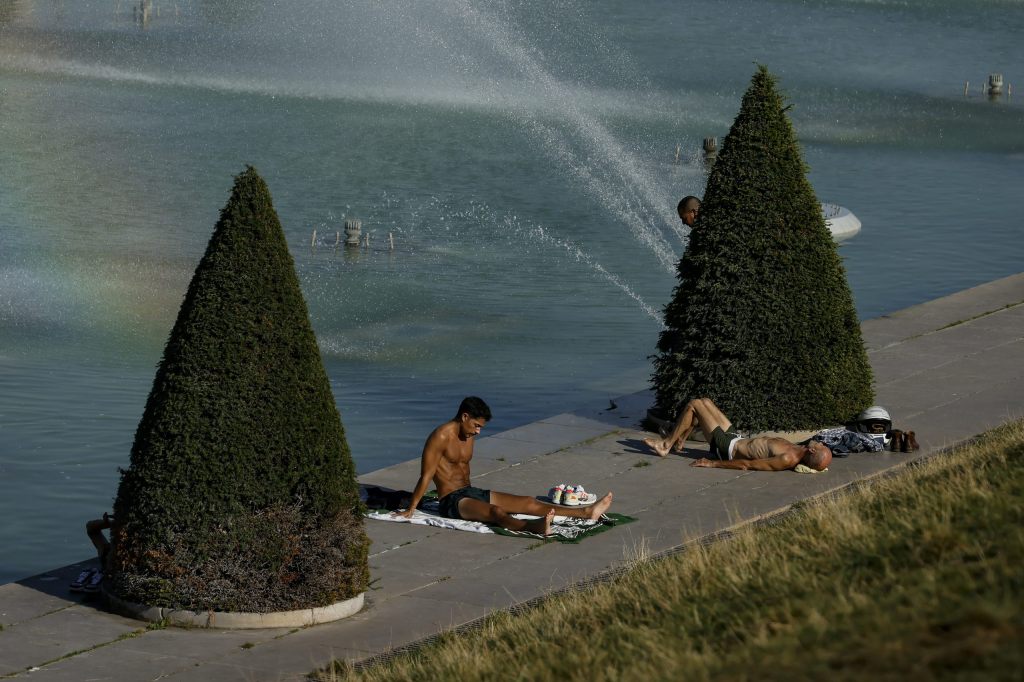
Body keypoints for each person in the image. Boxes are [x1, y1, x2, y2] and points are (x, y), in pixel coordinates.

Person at [397, 397, 613, 535]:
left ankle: (586, 512)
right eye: (476, 425)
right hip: (451, 501)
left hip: (469, 492)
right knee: (497, 512)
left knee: (528, 502)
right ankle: (534, 527)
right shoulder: (440, 436)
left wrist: (474, 496)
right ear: (464, 417)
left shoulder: (468, 433)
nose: (478, 431)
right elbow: (426, 475)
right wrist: (411, 509)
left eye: (481, 427)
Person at [642, 397, 832, 472]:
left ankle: (665, 445)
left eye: (822, 446)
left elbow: (747, 464)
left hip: (727, 448)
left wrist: (713, 463)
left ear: (812, 451)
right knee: (705, 401)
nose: (822, 443)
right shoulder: (799, 449)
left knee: (694, 405)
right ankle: (680, 440)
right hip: (736, 438)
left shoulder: (787, 458)